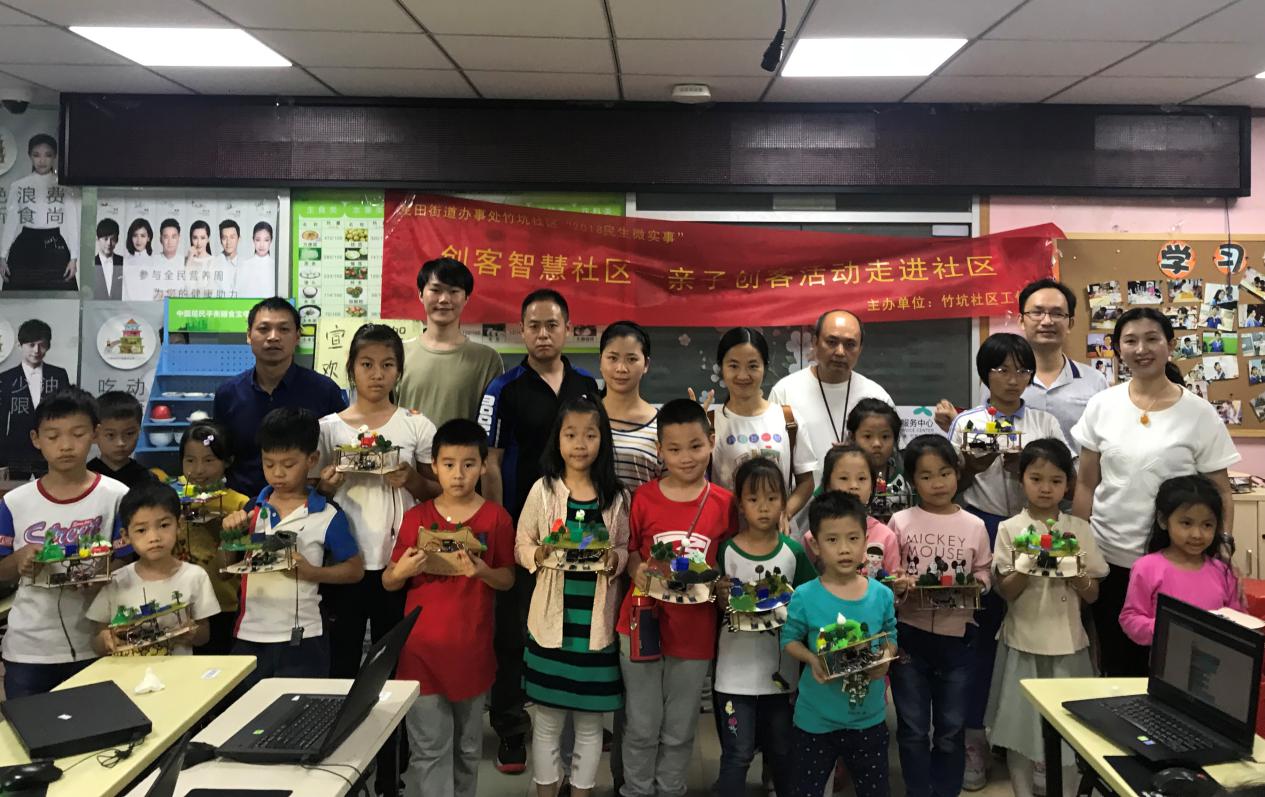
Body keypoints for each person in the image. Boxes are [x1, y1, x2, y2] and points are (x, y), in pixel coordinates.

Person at [1072, 307, 1239, 678]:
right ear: (1118, 349)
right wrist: (1078, 544)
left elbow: (1221, 492)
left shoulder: (1199, 413)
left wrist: (1223, 544)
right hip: (1109, 557)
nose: (1141, 349)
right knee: (1116, 664)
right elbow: (1086, 483)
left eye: (1152, 339)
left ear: (1170, 345)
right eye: (1130, 341)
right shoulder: (1102, 405)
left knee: (1178, 664)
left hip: (1176, 560)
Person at [480, 288, 599, 771]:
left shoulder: (587, 386)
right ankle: (511, 727)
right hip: (522, 532)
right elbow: (490, 463)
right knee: (512, 633)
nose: (543, 334)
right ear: (522, 331)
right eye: (534, 326)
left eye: (552, 325)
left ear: (568, 329)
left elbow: (600, 452)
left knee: (578, 626)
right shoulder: (502, 388)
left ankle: (581, 718)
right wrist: (499, 527)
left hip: (581, 530)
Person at [949, 333, 1067, 788]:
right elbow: (945, 485)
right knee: (978, 639)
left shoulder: (1043, 422)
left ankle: (1036, 745)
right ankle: (975, 741)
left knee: (1034, 636)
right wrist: (970, 468)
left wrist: (1026, 471)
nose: (1013, 379)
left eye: (1022, 370)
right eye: (1002, 369)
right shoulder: (967, 423)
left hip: (1032, 528)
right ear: (986, 374)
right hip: (980, 529)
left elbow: (1065, 480)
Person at [385, 419, 515, 797]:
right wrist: (402, 571)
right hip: (420, 654)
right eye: (448, 464)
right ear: (435, 465)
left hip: (472, 652)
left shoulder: (496, 518)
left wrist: (482, 571)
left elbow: (507, 579)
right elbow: (389, 580)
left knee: (468, 749)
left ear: (484, 465)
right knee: (429, 751)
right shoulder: (417, 518)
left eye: (468, 464)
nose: (458, 474)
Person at [616, 398, 737, 797]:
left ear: (712, 442)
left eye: (696, 446)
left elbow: (731, 561)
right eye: (674, 448)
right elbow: (630, 551)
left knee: (681, 726)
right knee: (641, 723)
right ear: (659, 450)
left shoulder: (725, 503)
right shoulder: (644, 497)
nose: (686, 457)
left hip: (695, 630)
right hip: (641, 623)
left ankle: (671, 789)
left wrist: (721, 587)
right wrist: (637, 570)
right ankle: (636, 790)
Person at [516, 397, 629, 797]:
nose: (580, 444)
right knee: (546, 724)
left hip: (594, 630)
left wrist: (614, 560)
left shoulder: (615, 495)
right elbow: (521, 543)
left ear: (603, 440)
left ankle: (581, 791)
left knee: (590, 725)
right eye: (571, 435)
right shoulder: (544, 490)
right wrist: (539, 554)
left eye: (590, 435)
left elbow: (623, 547)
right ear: (558, 440)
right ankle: (547, 790)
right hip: (551, 627)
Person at [316, 323, 438, 679]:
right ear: (351, 367)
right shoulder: (328, 429)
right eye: (366, 364)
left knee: (394, 662)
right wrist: (325, 488)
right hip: (344, 562)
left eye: (387, 364)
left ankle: (392, 719)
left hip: (399, 562)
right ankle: (339, 717)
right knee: (341, 659)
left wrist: (412, 480)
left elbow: (438, 494)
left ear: (399, 371)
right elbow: (309, 500)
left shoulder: (416, 425)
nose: (377, 374)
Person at [987, 438, 1107, 797]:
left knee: (1071, 731)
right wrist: (1027, 564)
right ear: (1021, 479)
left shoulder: (1079, 529)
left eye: (1056, 480)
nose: (1045, 488)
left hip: (1068, 643)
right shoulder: (1010, 529)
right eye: (1036, 479)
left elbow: (1093, 594)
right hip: (1022, 641)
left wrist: (1076, 573)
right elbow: (1006, 591)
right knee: (1018, 731)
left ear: (1068, 484)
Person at [220, 408, 364, 689]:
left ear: (312, 459)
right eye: (269, 464)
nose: (277, 473)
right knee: (247, 712)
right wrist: (229, 536)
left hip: (305, 637)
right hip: (249, 635)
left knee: (301, 711)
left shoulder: (327, 513)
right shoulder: (251, 511)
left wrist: (312, 572)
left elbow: (354, 569)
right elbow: (226, 570)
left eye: (288, 464)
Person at [0, 388, 128, 698]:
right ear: (36, 439)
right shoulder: (14, 502)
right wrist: (19, 560)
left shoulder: (116, 496)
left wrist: (102, 573)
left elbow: (128, 561)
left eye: (78, 434)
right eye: (53, 436)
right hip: (29, 650)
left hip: (97, 642)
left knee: (98, 725)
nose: (66, 445)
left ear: (95, 434)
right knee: (29, 726)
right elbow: (2, 572)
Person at [888, 434, 992, 797]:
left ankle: (946, 789)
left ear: (957, 473)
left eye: (945, 473)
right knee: (913, 728)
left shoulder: (974, 525)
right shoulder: (900, 521)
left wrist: (977, 585)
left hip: (957, 638)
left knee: (950, 729)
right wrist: (899, 583)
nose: (937, 483)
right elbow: (889, 574)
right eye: (926, 475)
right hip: (910, 635)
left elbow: (984, 571)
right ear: (912, 481)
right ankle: (918, 790)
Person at [783, 491, 895, 797]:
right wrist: (811, 659)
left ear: (865, 541)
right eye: (832, 540)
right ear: (816, 546)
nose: (844, 549)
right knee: (805, 790)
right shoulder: (805, 595)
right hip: (815, 720)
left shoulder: (881, 595)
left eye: (853, 538)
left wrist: (885, 658)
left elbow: (890, 636)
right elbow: (789, 639)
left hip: (868, 719)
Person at [714, 457, 815, 796]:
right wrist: (719, 595)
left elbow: (810, 602)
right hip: (733, 675)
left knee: (783, 754)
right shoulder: (726, 551)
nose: (763, 507)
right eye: (753, 499)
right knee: (737, 754)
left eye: (772, 498)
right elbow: (715, 604)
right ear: (740, 504)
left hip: (781, 677)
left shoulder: (793, 553)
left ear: (784, 503)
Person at [936, 280, 1107, 454]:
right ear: (1022, 321)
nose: (1047, 321)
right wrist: (960, 428)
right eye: (1037, 312)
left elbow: (1104, 440)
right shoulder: (996, 379)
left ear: (1070, 323)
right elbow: (987, 431)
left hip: (1074, 472)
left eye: (1057, 313)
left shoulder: (1095, 381)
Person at [214, 297, 347, 499]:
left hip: (308, 507)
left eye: (284, 329)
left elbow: (341, 451)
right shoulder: (228, 394)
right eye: (264, 329)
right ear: (249, 335)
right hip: (242, 508)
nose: (273, 337)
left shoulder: (325, 391)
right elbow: (220, 455)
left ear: (297, 337)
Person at [769, 309, 893, 518]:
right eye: (832, 342)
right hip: (796, 521)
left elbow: (888, 466)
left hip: (859, 522)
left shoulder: (877, 397)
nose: (840, 352)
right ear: (815, 342)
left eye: (850, 344)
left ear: (860, 349)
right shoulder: (785, 392)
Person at [87, 483, 219, 656]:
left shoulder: (195, 576)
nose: (154, 537)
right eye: (141, 530)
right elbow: (98, 640)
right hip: (128, 671)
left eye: (164, 525)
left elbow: (204, 635)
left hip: (178, 669)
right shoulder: (116, 581)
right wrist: (105, 640)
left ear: (179, 525)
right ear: (125, 536)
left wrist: (192, 633)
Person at [1119, 475, 1243, 647]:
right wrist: (1167, 628)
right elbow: (1130, 618)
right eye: (1186, 523)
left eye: (1207, 525)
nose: (1197, 534)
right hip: (1168, 657)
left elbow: (1238, 619)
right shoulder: (1146, 568)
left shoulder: (1223, 571)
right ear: (1163, 520)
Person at [164, 420, 250, 655]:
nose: (199, 469)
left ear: (228, 461)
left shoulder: (239, 504)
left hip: (222, 604)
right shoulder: (169, 497)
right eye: (190, 460)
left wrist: (225, 531)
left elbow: (230, 568)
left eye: (209, 460)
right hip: (175, 601)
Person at [396, 257, 504, 427]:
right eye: (435, 290)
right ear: (420, 294)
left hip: (464, 445)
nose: (444, 299)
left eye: (454, 291)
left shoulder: (487, 360)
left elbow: (492, 423)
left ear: (466, 298)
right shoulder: (398, 354)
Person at [710, 327, 796, 496]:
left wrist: (784, 510)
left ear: (765, 367)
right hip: (727, 515)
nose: (743, 375)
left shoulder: (787, 418)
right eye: (733, 366)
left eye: (753, 366)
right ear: (721, 368)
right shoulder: (708, 422)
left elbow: (806, 482)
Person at [808, 444, 901, 580]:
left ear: (872, 486)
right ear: (827, 485)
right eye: (844, 478)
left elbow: (893, 583)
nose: (854, 486)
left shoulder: (886, 536)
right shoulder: (812, 536)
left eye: (862, 478)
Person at [0, 134, 80, 291]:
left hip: (55, 245)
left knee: (60, 298)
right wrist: (2, 256)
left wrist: (74, 258)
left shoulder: (64, 187)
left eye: (48, 155)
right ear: (29, 156)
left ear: (55, 156)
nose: (42, 160)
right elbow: (11, 223)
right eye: (36, 155)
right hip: (25, 245)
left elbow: (72, 223)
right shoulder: (19, 186)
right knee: (19, 298)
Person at [0, 318, 72, 479]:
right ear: (20, 345)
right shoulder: (6, 378)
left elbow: (66, 414)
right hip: (17, 450)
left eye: (42, 345)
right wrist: (1, 458)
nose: (37, 350)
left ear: (49, 346)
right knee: (15, 492)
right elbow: (2, 420)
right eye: (31, 345)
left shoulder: (59, 375)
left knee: (52, 490)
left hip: (51, 448)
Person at [600, 321, 662, 490]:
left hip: (644, 509)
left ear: (646, 364)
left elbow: (671, 488)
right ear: (600, 361)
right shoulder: (583, 415)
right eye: (612, 358)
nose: (621, 368)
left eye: (632, 359)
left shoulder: (661, 425)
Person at [846, 398, 912, 523]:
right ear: (852, 438)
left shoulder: (908, 475)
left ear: (895, 439)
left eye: (885, 436)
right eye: (867, 436)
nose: (877, 444)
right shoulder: (840, 475)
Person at [88, 391, 156, 489]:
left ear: (139, 432)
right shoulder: (85, 476)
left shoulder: (147, 479)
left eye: (129, 434)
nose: (120, 443)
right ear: (95, 435)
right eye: (111, 435)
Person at [236, 221, 275, 297]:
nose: (262, 245)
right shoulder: (244, 265)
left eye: (266, 240)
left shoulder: (276, 267)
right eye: (258, 240)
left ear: (271, 241)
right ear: (253, 240)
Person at [93, 217, 124, 300]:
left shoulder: (124, 262)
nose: (109, 243)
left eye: (112, 239)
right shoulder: (90, 264)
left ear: (117, 240)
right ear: (97, 239)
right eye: (105, 239)